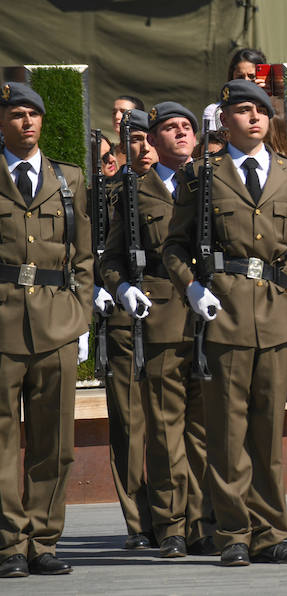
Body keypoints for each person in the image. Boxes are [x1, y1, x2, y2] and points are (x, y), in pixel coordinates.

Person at [163, 79, 287, 566]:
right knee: (226, 432)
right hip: (223, 310)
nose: (252, 118)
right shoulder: (202, 176)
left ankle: (272, 530)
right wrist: (192, 287)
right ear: (223, 121)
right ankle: (233, 532)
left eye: (259, 110)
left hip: (275, 314)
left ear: (270, 119)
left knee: (267, 434)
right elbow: (175, 247)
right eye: (241, 111)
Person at [100, 101, 208, 559]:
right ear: (153, 140)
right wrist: (122, 289)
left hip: (213, 319)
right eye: (171, 128)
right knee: (165, 431)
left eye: (187, 127)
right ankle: (171, 524)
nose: (181, 134)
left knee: (205, 431)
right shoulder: (135, 191)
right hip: (161, 318)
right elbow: (110, 257)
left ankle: (205, 521)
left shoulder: (215, 181)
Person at [0, 82, 92, 578]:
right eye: (16, 114)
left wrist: (79, 316)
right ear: (2, 122)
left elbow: (84, 256)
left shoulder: (68, 178)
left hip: (56, 322)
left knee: (54, 440)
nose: (26, 122)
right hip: (2, 322)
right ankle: (9, 542)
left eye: (33, 114)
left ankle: (43, 538)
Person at [99, 108, 156, 552]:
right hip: (123, 316)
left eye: (148, 138)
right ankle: (139, 521)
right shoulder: (108, 192)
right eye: (134, 140)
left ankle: (179, 513)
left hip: (174, 314)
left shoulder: (188, 186)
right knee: (130, 422)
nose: (144, 148)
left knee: (173, 423)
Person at [204, 48, 267, 131]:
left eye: (251, 76)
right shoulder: (215, 111)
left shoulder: (274, 107)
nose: (246, 81)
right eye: (240, 77)